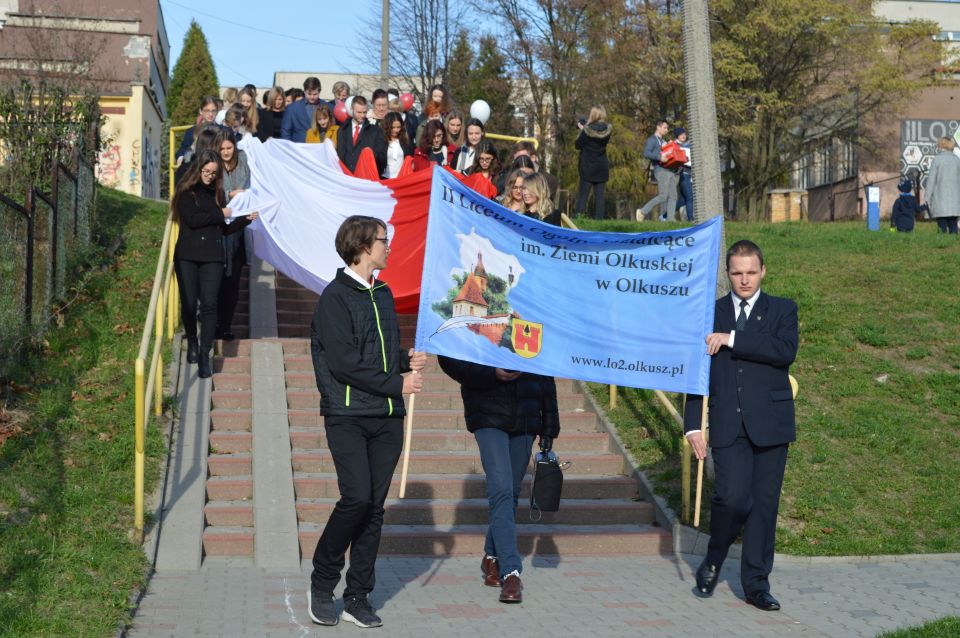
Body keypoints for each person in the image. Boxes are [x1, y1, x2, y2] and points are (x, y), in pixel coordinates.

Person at [307, 216, 426, 628]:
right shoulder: (334, 298)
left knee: (374, 509)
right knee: (356, 498)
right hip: (348, 415)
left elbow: (381, 352)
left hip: (387, 417)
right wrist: (398, 383)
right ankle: (322, 583)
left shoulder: (384, 293)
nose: (389, 246)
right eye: (383, 240)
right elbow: (345, 363)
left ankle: (358, 595)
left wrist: (406, 359)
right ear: (362, 246)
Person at [685, 240, 798, 612]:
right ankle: (715, 556)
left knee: (764, 507)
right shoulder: (710, 313)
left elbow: (784, 351)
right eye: (737, 273)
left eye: (751, 272)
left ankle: (756, 585)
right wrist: (692, 425)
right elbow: (696, 373)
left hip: (771, 424)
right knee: (731, 498)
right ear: (727, 274)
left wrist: (732, 338)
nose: (745, 280)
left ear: (763, 271)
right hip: (727, 423)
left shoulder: (782, 309)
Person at [438, 353, 559, 604]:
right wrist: (491, 373)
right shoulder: (475, 328)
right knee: (501, 489)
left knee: (511, 492)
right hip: (487, 414)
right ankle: (511, 571)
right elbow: (450, 360)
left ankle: (491, 557)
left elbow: (546, 371)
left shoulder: (537, 326)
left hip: (526, 418)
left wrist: (549, 426)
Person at [172, 150, 257, 378]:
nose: (209, 176)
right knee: (189, 303)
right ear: (198, 170)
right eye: (206, 171)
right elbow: (193, 220)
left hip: (212, 256)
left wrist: (244, 220)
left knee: (210, 304)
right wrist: (222, 213)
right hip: (188, 255)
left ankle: (204, 353)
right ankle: (192, 339)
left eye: (213, 173)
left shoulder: (218, 195)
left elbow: (223, 228)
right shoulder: (186, 192)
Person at [214, 130, 250, 341]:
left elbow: (251, 188)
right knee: (219, 281)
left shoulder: (243, 165)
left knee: (234, 282)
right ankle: (215, 324)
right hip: (219, 232)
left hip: (238, 231)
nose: (226, 152)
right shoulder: (214, 167)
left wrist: (244, 196)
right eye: (222, 149)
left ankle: (226, 326)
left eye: (229, 148)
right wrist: (229, 194)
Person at [574, 105, 612, 220]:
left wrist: (582, 129)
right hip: (601, 166)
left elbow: (578, 145)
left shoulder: (587, 130)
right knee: (600, 197)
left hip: (587, 166)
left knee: (583, 196)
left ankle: (578, 218)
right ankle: (599, 220)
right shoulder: (607, 130)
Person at [637, 120, 678, 222]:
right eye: (665, 128)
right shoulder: (652, 140)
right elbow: (646, 153)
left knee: (673, 196)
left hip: (670, 170)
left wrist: (671, 147)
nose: (667, 130)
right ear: (658, 127)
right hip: (661, 170)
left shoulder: (663, 141)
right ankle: (642, 211)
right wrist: (659, 158)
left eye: (667, 128)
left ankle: (670, 219)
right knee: (663, 196)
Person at [336, 95, 387, 175]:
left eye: (364, 112)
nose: (362, 115)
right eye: (359, 112)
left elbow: (381, 157)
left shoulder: (375, 131)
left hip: (365, 176)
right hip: (345, 176)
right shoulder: (342, 130)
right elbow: (340, 154)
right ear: (352, 109)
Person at [924, 137, 960, 234]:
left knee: (941, 227)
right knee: (953, 226)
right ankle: (953, 242)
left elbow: (931, 181)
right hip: (955, 202)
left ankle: (942, 242)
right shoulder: (957, 160)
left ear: (941, 145)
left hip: (940, 201)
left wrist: (927, 198)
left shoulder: (937, 159)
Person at [281, 77, 324, 142]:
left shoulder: (328, 107)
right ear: (304, 92)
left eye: (315, 94)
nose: (312, 97)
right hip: (298, 146)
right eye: (309, 94)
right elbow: (286, 132)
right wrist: (289, 147)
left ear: (319, 92)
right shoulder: (292, 108)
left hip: (320, 145)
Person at [176, 96, 220, 161]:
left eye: (213, 111)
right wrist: (182, 158)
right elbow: (181, 152)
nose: (210, 114)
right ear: (201, 111)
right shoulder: (191, 131)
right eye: (207, 111)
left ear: (217, 112)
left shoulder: (224, 130)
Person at [381, 111, 413, 178]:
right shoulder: (381, 141)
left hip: (402, 179)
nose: (396, 130)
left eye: (398, 127)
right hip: (384, 179)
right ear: (387, 126)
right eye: (392, 127)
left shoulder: (406, 141)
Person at [673, 127, 694, 221]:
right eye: (681, 134)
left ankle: (664, 216)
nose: (684, 136)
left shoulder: (689, 145)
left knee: (683, 200)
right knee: (690, 197)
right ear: (677, 135)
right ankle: (691, 220)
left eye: (684, 134)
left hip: (691, 174)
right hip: (683, 173)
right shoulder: (675, 145)